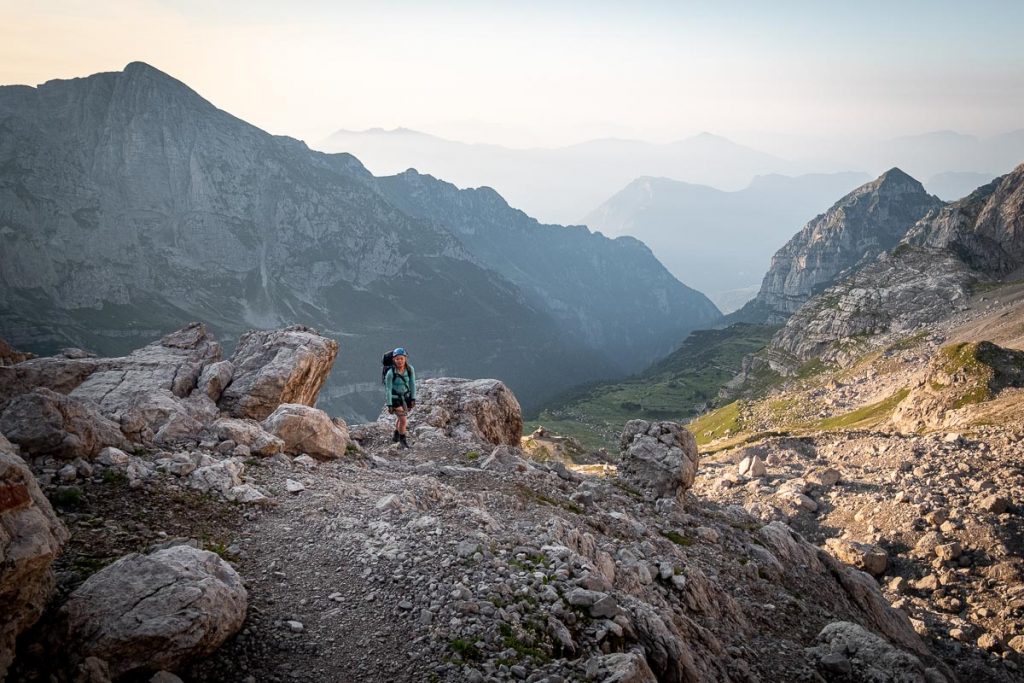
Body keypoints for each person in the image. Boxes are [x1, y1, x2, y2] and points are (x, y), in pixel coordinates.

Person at [384, 347, 416, 448]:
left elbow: (412, 384)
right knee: (403, 420)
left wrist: (413, 398)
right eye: (397, 359)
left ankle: (396, 434)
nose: (400, 361)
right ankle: (403, 441)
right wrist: (389, 404)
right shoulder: (390, 373)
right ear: (394, 360)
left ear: (405, 358)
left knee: (400, 418)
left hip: (405, 397)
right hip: (395, 398)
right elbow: (388, 389)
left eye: (401, 358)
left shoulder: (410, 370)